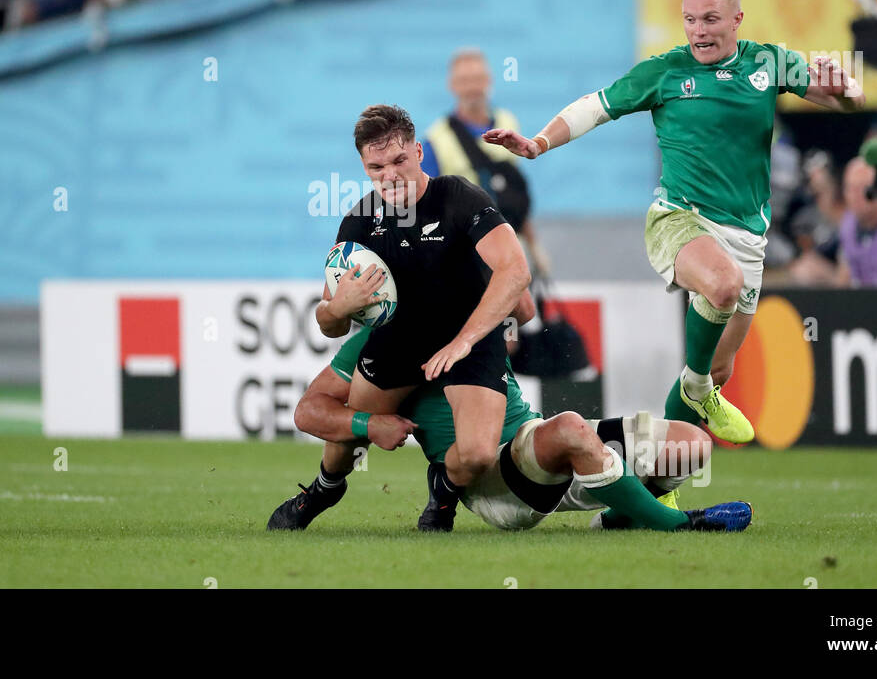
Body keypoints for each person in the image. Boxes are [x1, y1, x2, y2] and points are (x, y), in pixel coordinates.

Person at [483, 0, 865, 469]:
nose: (699, 31)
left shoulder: (768, 62)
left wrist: (847, 86)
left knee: (716, 367)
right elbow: (595, 107)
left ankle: (658, 474)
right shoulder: (665, 72)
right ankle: (699, 387)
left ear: (737, 20)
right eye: (689, 20)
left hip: (748, 234)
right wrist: (537, 143)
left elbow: (843, 99)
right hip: (679, 219)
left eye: (710, 20)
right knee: (721, 287)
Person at [286, 104, 532, 532]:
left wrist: (468, 338)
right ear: (364, 167)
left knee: (476, 454)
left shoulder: (460, 197)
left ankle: (444, 492)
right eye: (376, 166)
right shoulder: (361, 222)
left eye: (399, 160)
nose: (390, 175)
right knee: (347, 435)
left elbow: (518, 276)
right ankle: (325, 488)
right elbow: (330, 323)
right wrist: (339, 307)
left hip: (461, 343)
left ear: (418, 152)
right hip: (397, 341)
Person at [270, 317, 753, 534]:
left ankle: (619, 515)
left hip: (543, 453)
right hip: (497, 481)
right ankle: (674, 525)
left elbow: (525, 312)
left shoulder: (481, 310)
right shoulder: (382, 342)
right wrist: (369, 423)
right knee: (567, 427)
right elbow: (309, 411)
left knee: (693, 446)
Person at [421, 48, 548, 275]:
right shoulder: (435, 140)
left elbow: (513, 190)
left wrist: (533, 245)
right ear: (452, 85)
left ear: (489, 81)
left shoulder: (508, 122)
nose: (472, 87)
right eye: (464, 80)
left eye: (477, 79)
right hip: (466, 252)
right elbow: (427, 210)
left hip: (511, 245)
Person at [836, 157, 877, 288]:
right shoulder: (848, 224)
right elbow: (844, 276)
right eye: (851, 188)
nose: (856, 195)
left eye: (864, 188)